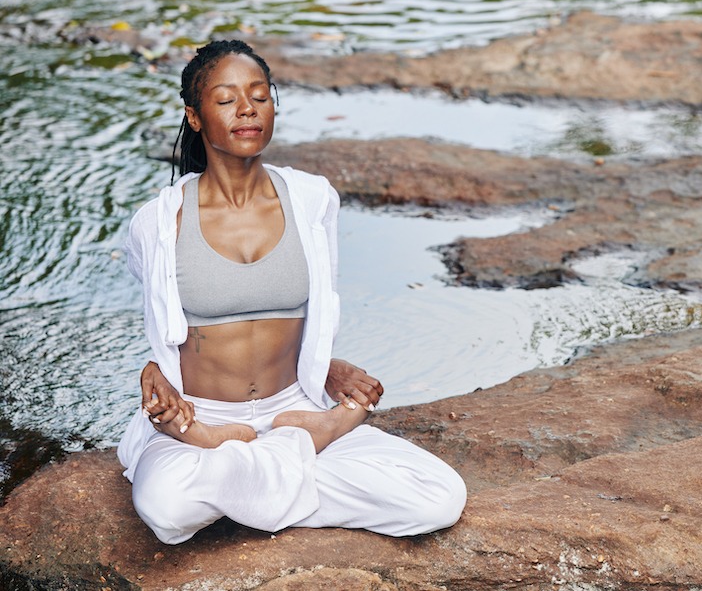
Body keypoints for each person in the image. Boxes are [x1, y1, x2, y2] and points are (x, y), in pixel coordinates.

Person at [116, 39, 466, 545]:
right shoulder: (158, 220)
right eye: (226, 99)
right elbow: (155, 309)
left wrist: (323, 368)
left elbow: (318, 310)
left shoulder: (310, 198)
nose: (246, 110)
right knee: (165, 507)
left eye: (260, 95)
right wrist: (155, 370)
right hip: (200, 423)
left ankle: (257, 477)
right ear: (194, 117)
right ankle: (279, 466)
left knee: (438, 497)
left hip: (295, 409)